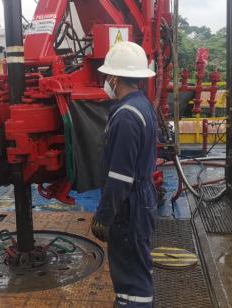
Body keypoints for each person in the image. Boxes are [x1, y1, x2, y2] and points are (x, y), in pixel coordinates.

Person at [91, 41, 158, 307]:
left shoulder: (127, 116)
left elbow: (120, 177)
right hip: (141, 197)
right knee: (138, 266)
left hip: (130, 205)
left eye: (108, 76)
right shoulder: (142, 105)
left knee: (130, 274)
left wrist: (104, 217)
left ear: (115, 77)